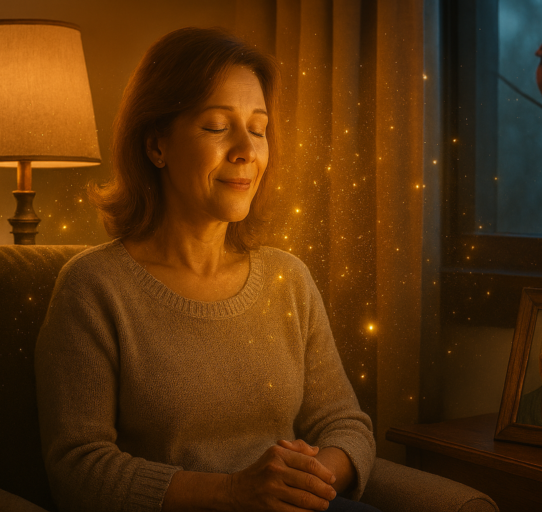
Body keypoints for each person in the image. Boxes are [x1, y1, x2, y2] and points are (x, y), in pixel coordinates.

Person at [35, 27, 378, 512]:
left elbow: (347, 425)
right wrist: (235, 493)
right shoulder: (93, 287)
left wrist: (303, 481)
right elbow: (78, 469)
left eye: (258, 129)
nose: (246, 150)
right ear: (156, 146)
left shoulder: (289, 279)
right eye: (218, 126)